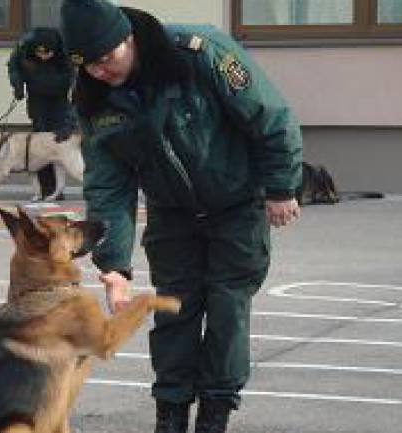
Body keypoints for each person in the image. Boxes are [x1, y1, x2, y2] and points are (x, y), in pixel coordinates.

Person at [60, 1, 303, 432]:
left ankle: (214, 415)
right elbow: (107, 185)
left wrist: (281, 186)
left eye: (106, 59)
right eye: (88, 66)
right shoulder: (95, 97)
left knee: (227, 312)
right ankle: (170, 416)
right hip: (172, 214)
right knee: (174, 312)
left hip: (236, 206)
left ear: (127, 37)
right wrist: (114, 266)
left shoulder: (198, 53)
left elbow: (270, 117)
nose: (100, 72)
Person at [7, 27, 77, 201]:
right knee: (41, 144)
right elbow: (13, 67)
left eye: (48, 53)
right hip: (37, 100)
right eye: (40, 52)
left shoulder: (67, 52)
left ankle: (59, 189)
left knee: (61, 140)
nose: (43, 56)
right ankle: (47, 189)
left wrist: (70, 120)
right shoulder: (23, 48)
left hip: (60, 100)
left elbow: (78, 80)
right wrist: (18, 85)